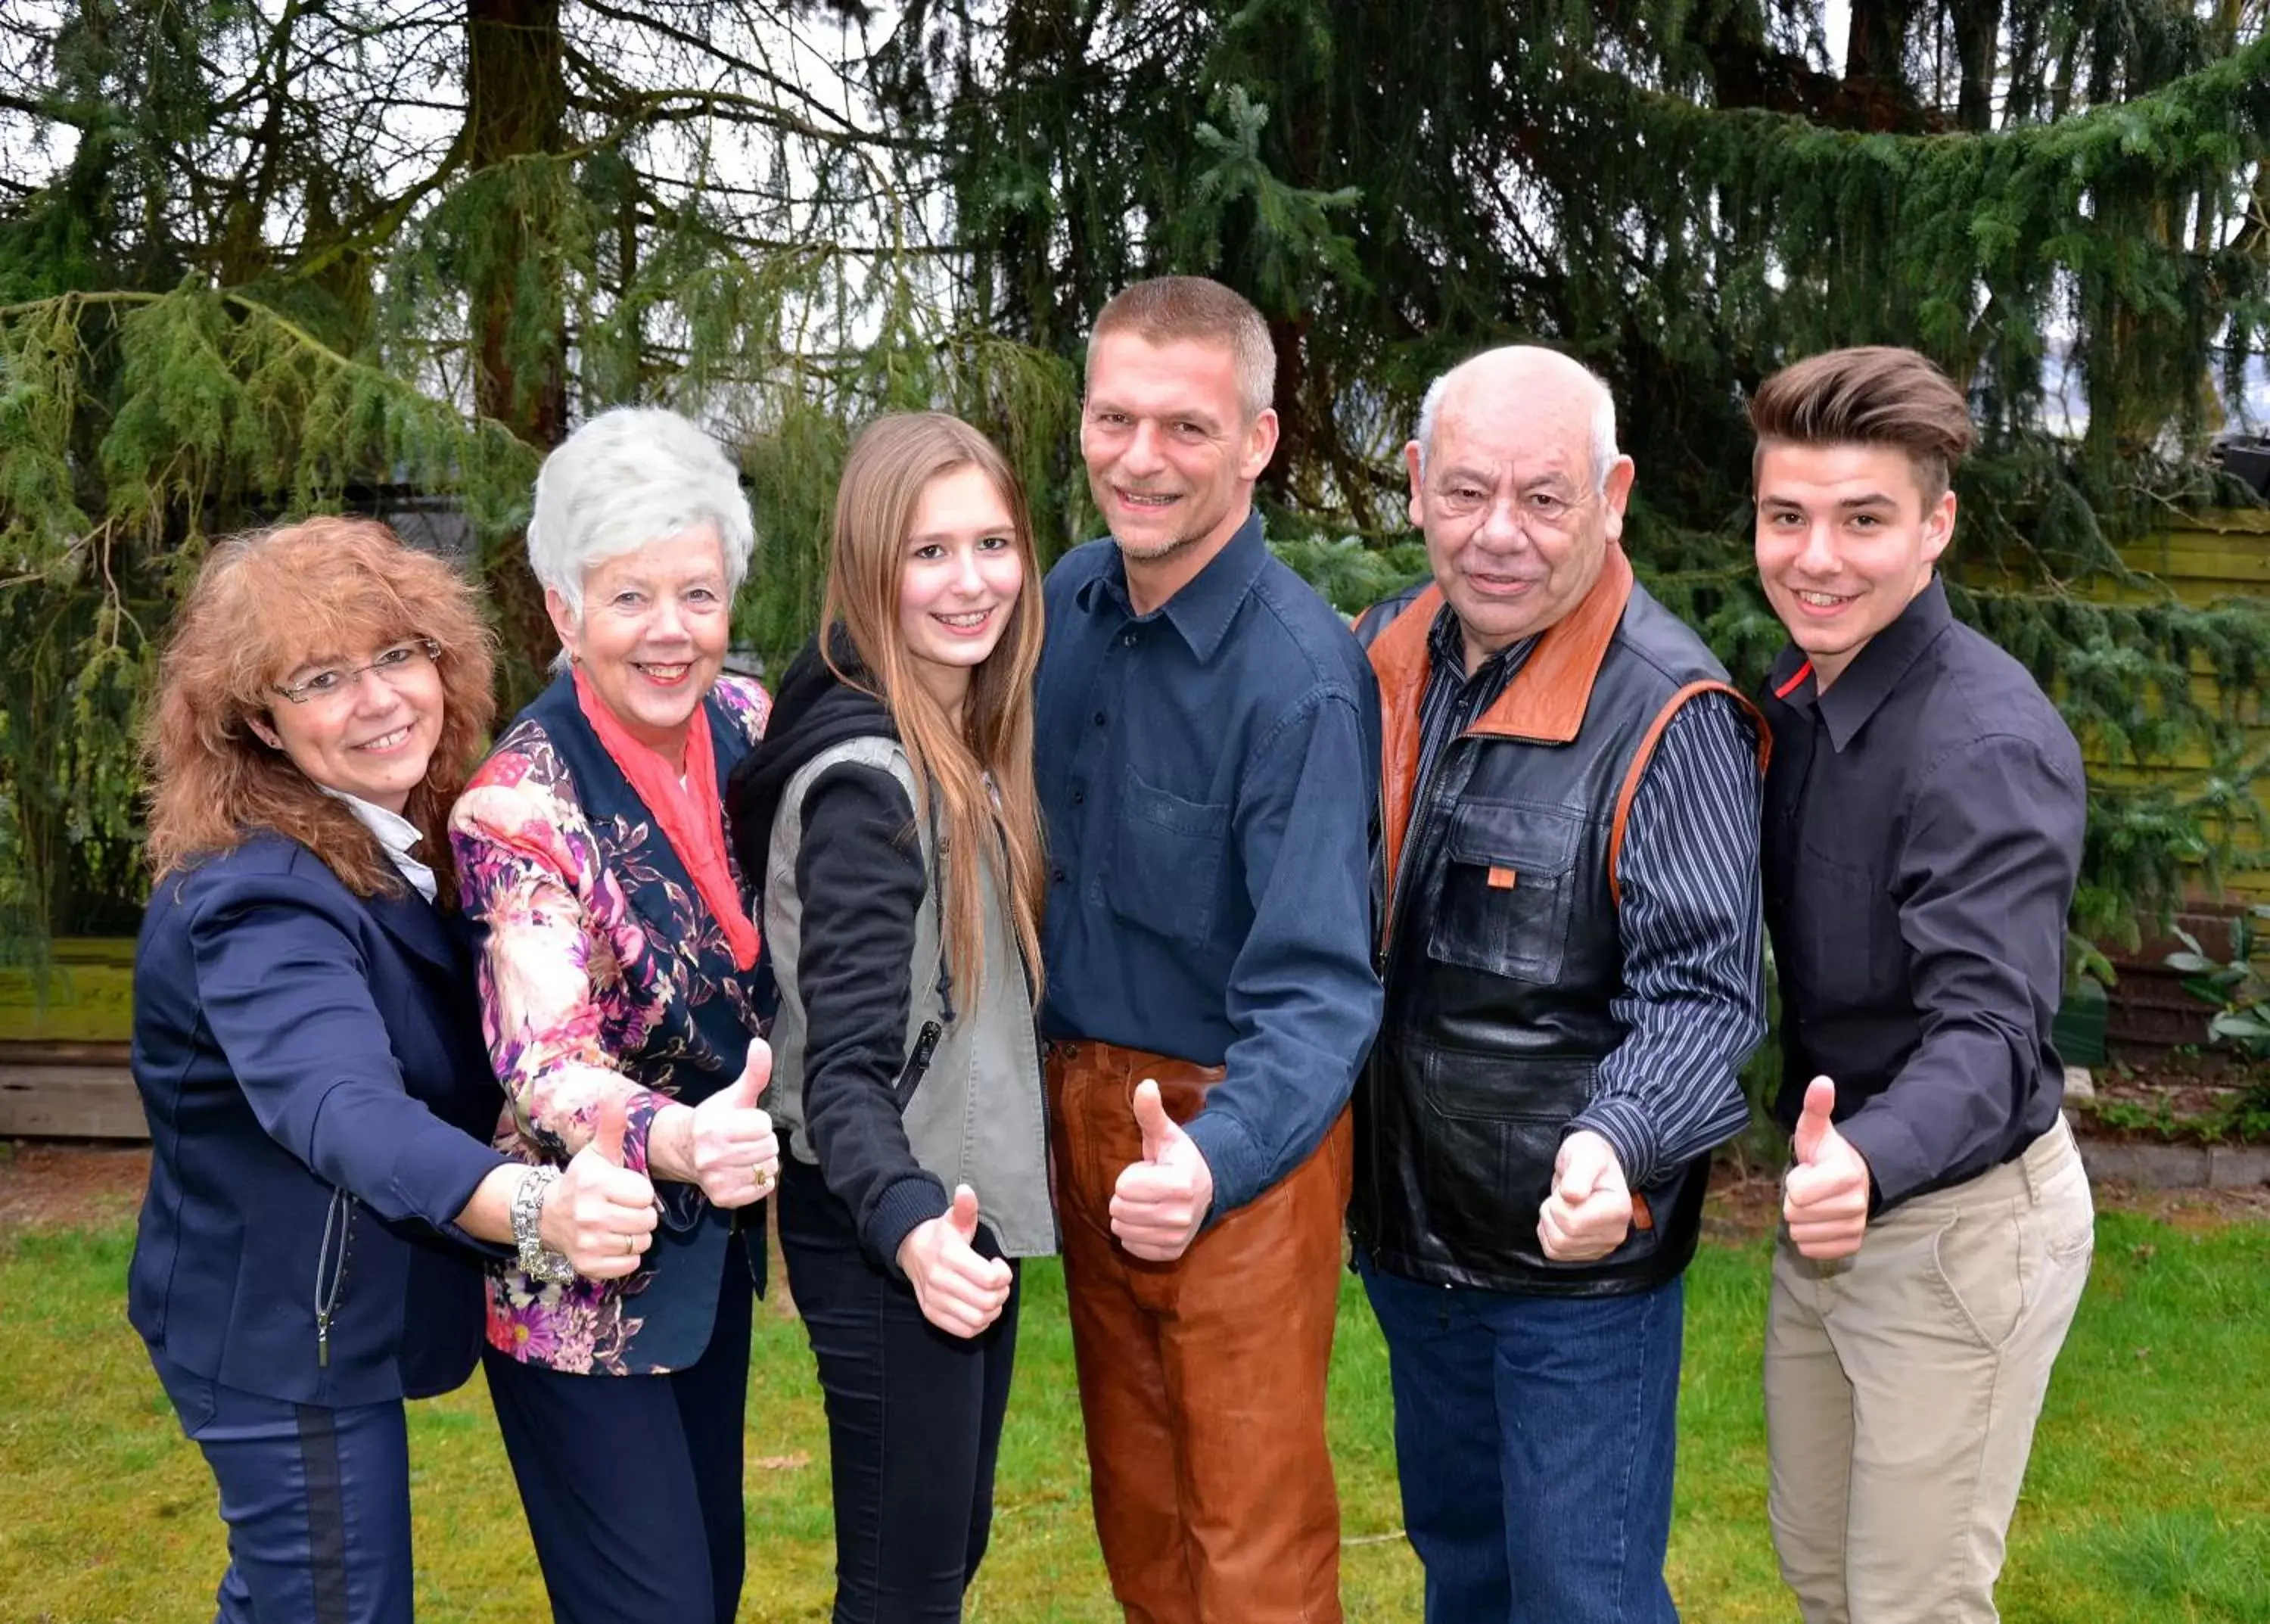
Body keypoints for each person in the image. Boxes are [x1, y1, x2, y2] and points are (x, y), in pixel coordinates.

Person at [129, 517, 655, 1624]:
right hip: (279, 1335)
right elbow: (340, 1103)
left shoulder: (383, 836)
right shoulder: (258, 895)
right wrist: (537, 1207)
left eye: (397, 655)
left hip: (326, 1316)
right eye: (321, 677)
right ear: (254, 723)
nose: (377, 700)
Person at [1349, 346, 1767, 1624]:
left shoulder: (1668, 708)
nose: (1499, 536)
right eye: (1468, 492)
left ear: (1613, 495)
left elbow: (1703, 999)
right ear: (1417, 486)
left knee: (1582, 1598)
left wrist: (1616, 1139)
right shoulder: (1378, 656)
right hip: (1415, 1248)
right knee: (1466, 1577)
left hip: (1575, 1273)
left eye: (1544, 497)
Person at [1035, 274, 1383, 1622]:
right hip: (1085, 1107)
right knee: (1141, 1517)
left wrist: (1217, 1157)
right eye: (1115, 418)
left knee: (1250, 1542)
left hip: (1239, 1125)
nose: (1141, 457)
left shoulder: (1297, 678)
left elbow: (1319, 990)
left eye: (1186, 427)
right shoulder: (1064, 605)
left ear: (1257, 441)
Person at [1748, 346, 2093, 1624]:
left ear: (1937, 525)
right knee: (1826, 1575)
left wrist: (1864, 1162)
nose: (1817, 556)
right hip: (1840, 1208)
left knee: (1915, 1602)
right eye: (1788, 516)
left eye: (1863, 519)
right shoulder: (1803, 693)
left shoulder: (1982, 744)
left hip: (1957, 1228)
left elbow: (1995, 1032)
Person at [449, 407, 782, 1624]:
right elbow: (546, 1063)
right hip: (573, 1292)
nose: (671, 631)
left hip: (706, 1268)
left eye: (698, 593)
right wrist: (680, 1137)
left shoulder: (746, 724)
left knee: (715, 1584)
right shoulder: (519, 810)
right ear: (563, 609)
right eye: (630, 595)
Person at [725, 412, 1055, 1622]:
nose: (970, 583)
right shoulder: (870, 777)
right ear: (870, 567)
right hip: (893, 1227)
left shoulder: (957, 733)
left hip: (947, 1220)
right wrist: (914, 1227)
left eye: (992, 543)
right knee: (904, 1590)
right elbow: (844, 1069)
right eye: (928, 553)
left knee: (939, 1555)